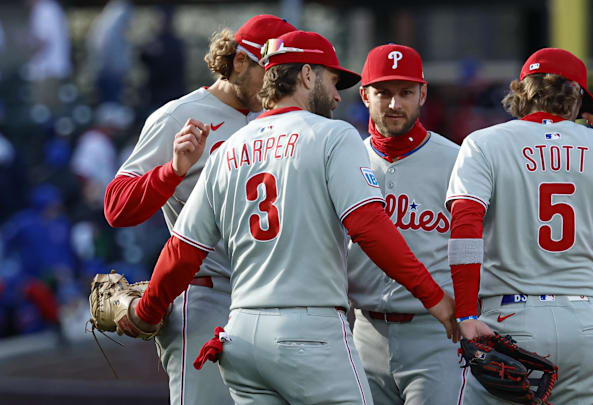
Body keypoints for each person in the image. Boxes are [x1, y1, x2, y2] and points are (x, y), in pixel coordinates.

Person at [123, 30, 458, 404]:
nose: (335, 96)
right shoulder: (332, 135)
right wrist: (434, 297)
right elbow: (368, 228)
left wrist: (146, 310)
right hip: (310, 332)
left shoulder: (229, 147)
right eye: (332, 81)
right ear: (307, 76)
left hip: (242, 334)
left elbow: (183, 248)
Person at [445, 48, 593, 404]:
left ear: (520, 91)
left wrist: (466, 312)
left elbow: (465, 224)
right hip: (585, 321)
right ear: (578, 101)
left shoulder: (484, 143)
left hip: (510, 320)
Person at [102, 15, 297, 405]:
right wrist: (172, 170)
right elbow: (117, 207)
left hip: (274, 298)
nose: (277, 84)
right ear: (239, 62)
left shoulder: (280, 117)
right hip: (209, 294)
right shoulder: (178, 116)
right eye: (270, 72)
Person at [347, 44, 475, 404]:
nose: (394, 104)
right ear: (365, 95)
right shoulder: (346, 160)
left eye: (405, 92)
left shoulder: (457, 160)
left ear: (422, 93)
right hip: (364, 331)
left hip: (435, 334)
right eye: (383, 93)